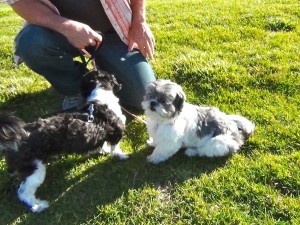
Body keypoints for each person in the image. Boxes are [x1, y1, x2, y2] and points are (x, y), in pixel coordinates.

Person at [7, 0, 156, 111]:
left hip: (112, 32)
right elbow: (19, 1)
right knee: (31, 43)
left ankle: (103, 70)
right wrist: (67, 27)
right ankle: (76, 89)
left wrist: (139, 21)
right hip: (59, 31)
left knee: (142, 97)